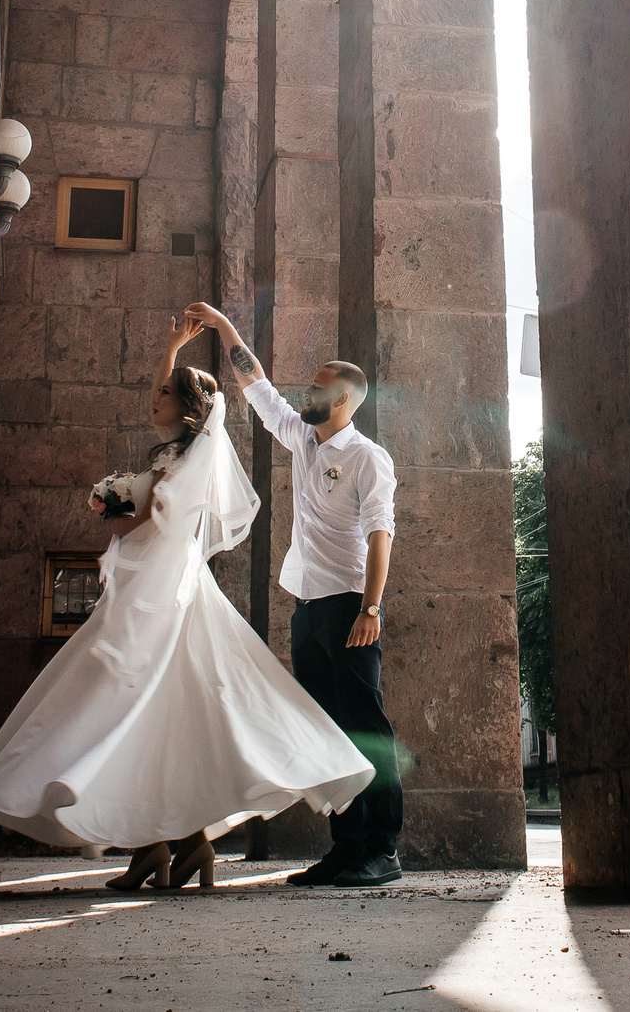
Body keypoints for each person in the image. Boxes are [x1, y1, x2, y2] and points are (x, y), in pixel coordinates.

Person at [0, 316, 372, 889]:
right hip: (153, 587)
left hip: (164, 595)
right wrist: (175, 345)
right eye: (156, 391)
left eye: (166, 394)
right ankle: (176, 845)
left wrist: (115, 512)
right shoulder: (185, 450)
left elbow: (158, 516)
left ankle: (162, 843)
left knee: (133, 704)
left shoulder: (191, 457)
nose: (154, 399)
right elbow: (238, 396)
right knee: (160, 711)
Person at [183, 302, 404, 889]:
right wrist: (223, 326)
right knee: (325, 730)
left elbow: (381, 534)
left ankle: (382, 850)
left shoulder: (367, 458)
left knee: (365, 726)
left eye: (317, 388)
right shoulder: (303, 438)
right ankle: (345, 849)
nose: (306, 393)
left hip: (350, 606)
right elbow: (256, 385)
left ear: (344, 401)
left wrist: (370, 608)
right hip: (307, 608)